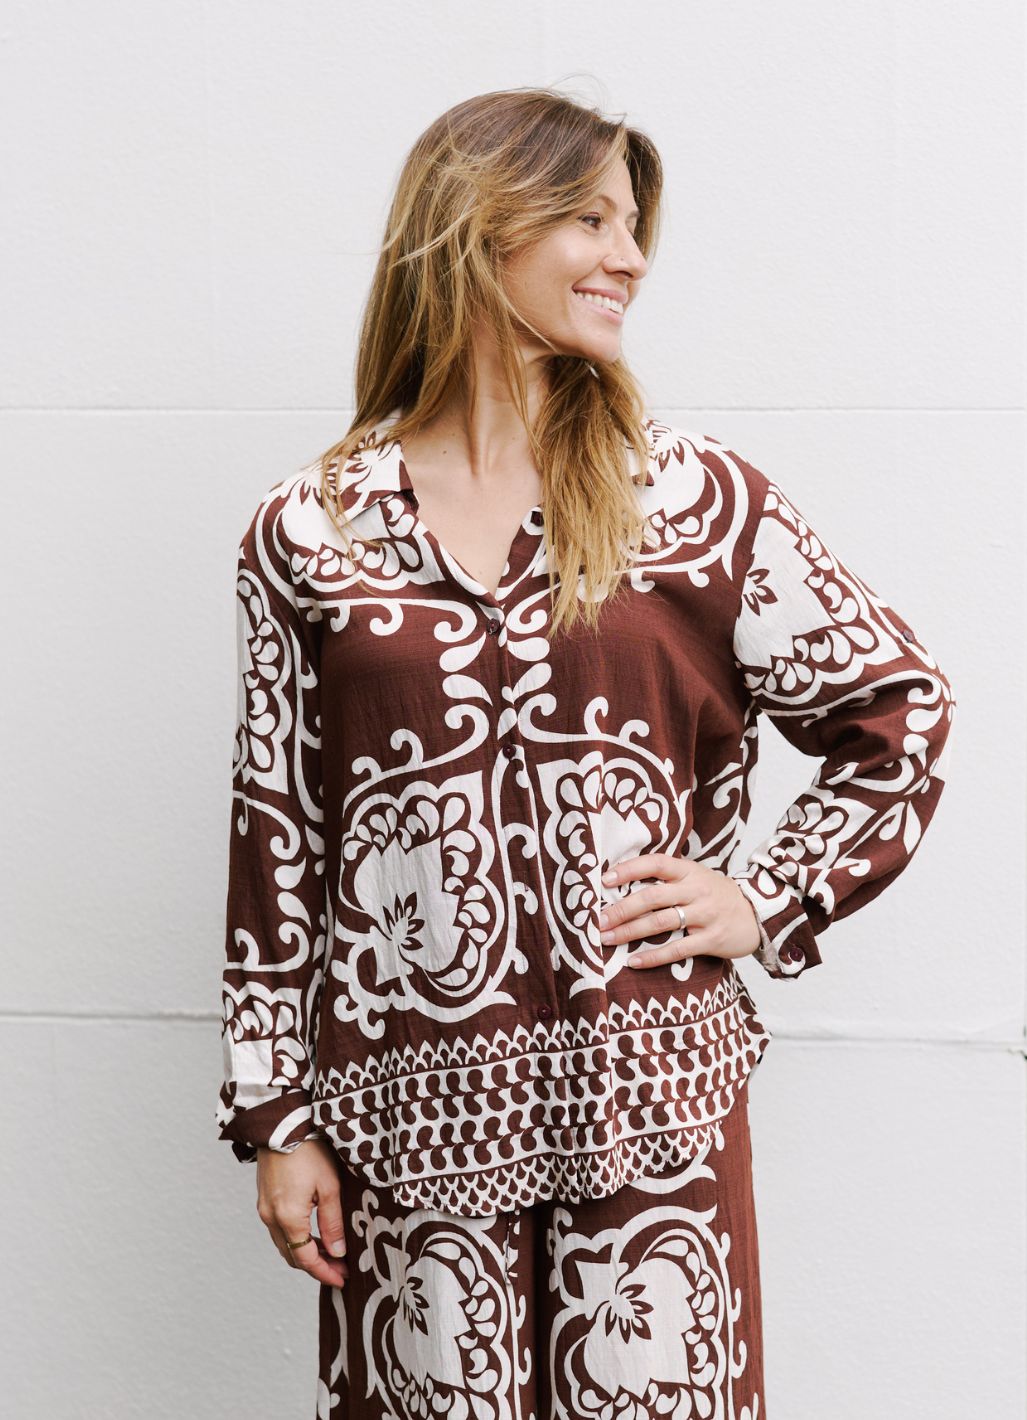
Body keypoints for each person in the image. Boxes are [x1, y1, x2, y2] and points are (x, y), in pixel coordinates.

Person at [216, 86, 955, 1418]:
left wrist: (764, 898)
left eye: (633, 225)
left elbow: (898, 709)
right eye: (590, 220)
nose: (631, 257)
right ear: (475, 225)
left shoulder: (692, 500)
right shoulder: (309, 529)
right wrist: (276, 1119)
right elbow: (278, 834)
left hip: (650, 1112)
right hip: (409, 1131)